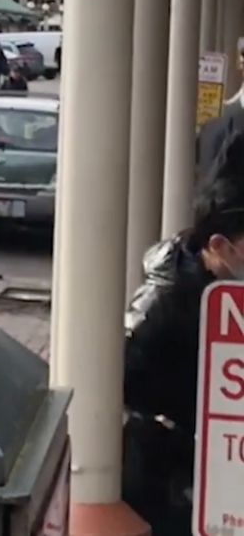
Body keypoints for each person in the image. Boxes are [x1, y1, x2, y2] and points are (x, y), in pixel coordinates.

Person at [122, 130, 244, 534]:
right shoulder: (164, 302)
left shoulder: (219, 290)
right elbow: (118, 389)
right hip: (171, 483)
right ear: (220, 247)